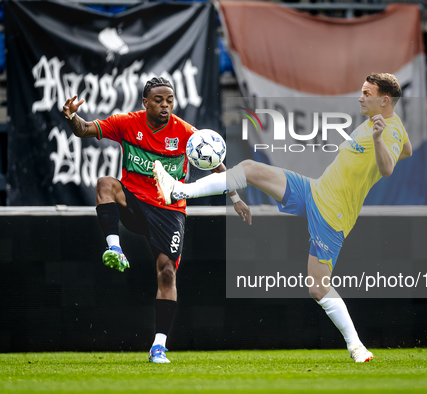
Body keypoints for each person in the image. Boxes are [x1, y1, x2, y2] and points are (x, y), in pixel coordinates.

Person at [153, 73, 413, 363]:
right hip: (315, 189)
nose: (360, 97)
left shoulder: (386, 130)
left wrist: (379, 139)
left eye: (366, 93)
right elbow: (407, 150)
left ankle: (357, 347)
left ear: (384, 100)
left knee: (317, 286)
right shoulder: (390, 126)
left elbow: (388, 168)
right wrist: (384, 139)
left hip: (333, 213)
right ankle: (178, 190)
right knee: (250, 168)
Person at [61, 77, 250, 364]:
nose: (165, 105)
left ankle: (158, 346)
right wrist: (72, 116)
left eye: (170, 100)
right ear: (145, 102)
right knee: (105, 184)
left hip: (169, 211)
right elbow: (85, 130)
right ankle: (114, 247)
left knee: (167, 274)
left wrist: (235, 198)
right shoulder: (127, 123)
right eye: (159, 100)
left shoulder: (186, 133)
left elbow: (216, 165)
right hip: (135, 204)